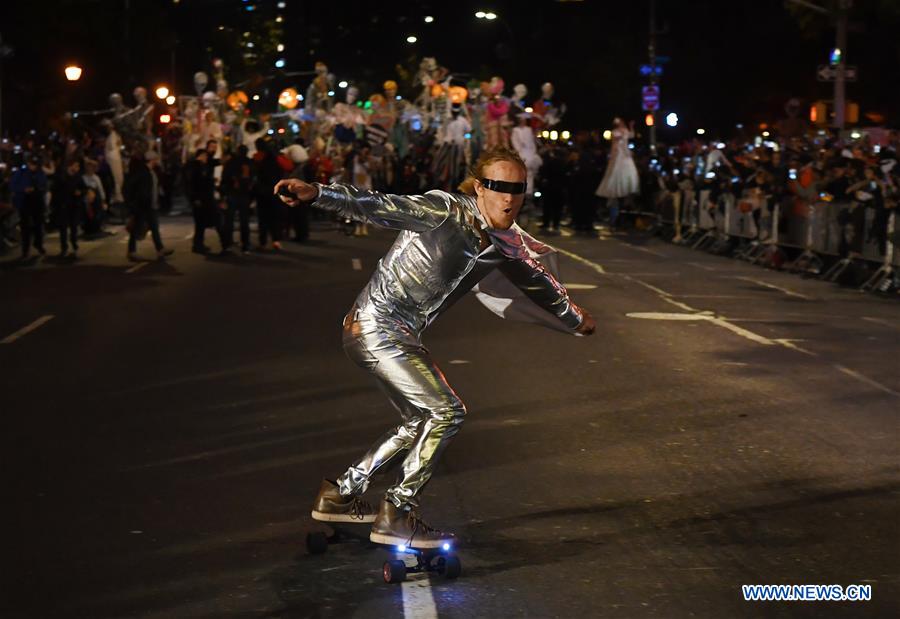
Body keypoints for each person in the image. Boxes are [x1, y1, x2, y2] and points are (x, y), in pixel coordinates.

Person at [274, 147, 596, 548]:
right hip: (376, 327)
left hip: (397, 335)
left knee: (418, 421)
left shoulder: (504, 243)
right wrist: (318, 193)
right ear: (480, 188)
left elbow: (537, 280)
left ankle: (340, 493)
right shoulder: (444, 209)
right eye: (498, 187)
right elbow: (377, 205)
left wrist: (574, 317)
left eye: (517, 189)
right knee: (447, 412)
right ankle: (398, 511)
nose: (508, 198)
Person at [124, 151, 173, 260]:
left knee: (154, 227)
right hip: (144, 205)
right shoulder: (143, 172)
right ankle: (132, 251)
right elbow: (138, 189)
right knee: (136, 227)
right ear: (152, 159)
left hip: (151, 205)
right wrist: (137, 202)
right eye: (156, 158)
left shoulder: (151, 171)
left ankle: (160, 249)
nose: (157, 160)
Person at [595, 118, 639, 228]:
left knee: (628, 173)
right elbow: (615, 142)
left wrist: (631, 126)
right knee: (617, 174)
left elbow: (631, 135)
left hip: (625, 155)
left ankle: (618, 218)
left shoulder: (624, 131)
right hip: (619, 154)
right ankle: (614, 219)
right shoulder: (615, 132)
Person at [10, 155, 48, 260]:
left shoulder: (40, 173)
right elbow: (13, 185)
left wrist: (37, 189)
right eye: (31, 164)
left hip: (37, 201)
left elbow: (44, 186)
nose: (33, 166)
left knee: (38, 225)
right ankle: (25, 250)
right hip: (24, 202)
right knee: (25, 227)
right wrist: (23, 189)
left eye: (35, 164)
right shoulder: (21, 173)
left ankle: (38, 244)